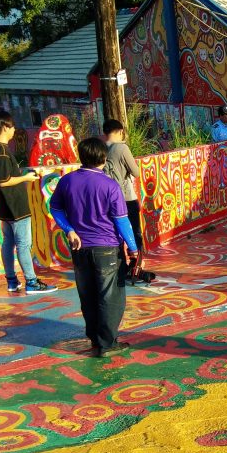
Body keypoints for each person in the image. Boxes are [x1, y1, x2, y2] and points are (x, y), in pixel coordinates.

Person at [50, 137, 140, 358]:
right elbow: (121, 220)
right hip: (107, 247)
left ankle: (95, 337)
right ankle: (107, 343)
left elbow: (55, 209)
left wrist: (69, 229)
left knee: (87, 293)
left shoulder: (67, 181)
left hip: (79, 248)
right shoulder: (110, 185)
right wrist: (133, 247)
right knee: (110, 296)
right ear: (103, 158)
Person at [0, 110, 58, 295]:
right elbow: (4, 180)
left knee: (8, 243)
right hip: (15, 205)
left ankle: (11, 280)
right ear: (4, 127)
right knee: (23, 244)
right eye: (12, 126)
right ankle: (32, 282)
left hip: (4, 205)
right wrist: (26, 178)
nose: (14, 130)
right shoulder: (1, 152)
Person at [104, 119, 154, 284]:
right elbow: (136, 172)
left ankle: (121, 267)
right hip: (126, 198)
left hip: (109, 199)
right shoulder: (121, 147)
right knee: (134, 234)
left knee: (117, 235)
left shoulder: (101, 148)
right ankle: (136, 267)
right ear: (120, 131)